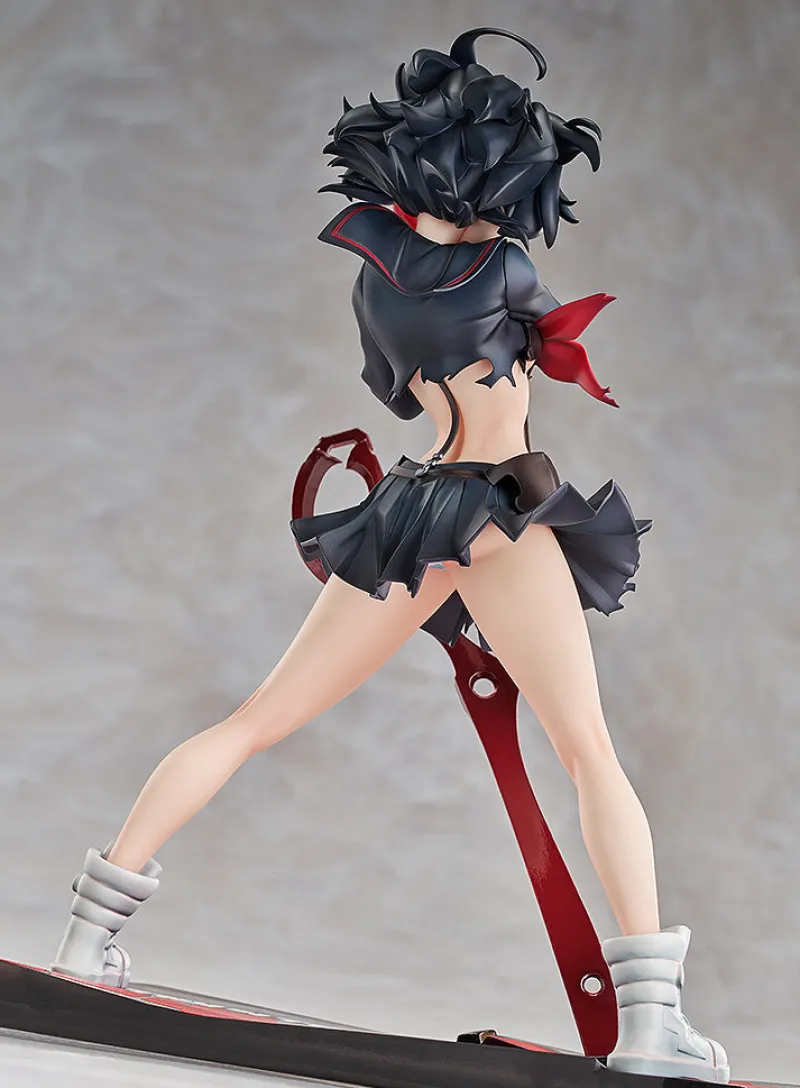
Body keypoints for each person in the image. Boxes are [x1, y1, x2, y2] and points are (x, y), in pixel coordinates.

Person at [50, 27, 729, 1083]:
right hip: (500, 513)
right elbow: (544, 339)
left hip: (412, 507)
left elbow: (396, 391)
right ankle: (652, 1024)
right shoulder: (507, 264)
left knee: (252, 720)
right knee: (587, 752)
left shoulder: (369, 274)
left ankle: (84, 941)